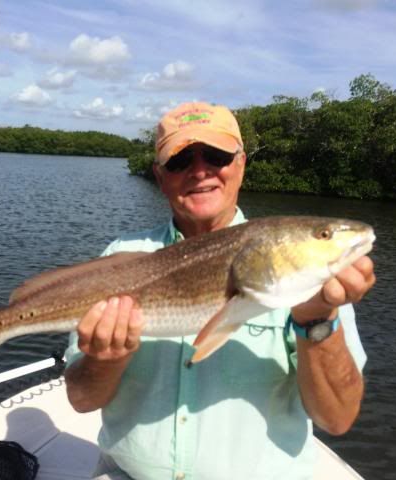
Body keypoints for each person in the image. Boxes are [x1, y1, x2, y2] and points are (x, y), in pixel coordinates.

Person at [64, 102, 375, 480]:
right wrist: (105, 359)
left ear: (241, 164)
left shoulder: (313, 278)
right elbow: (81, 400)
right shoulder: (119, 260)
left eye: (216, 155)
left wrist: (316, 320)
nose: (200, 171)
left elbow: (338, 419)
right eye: (180, 161)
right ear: (160, 178)